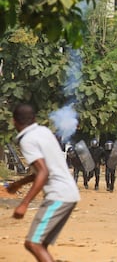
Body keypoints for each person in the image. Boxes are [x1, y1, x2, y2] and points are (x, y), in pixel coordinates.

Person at [7, 104, 80, 262]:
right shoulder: (44, 132)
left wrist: (24, 203)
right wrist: (20, 183)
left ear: (14, 122)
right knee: (42, 244)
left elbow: (43, 172)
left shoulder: (27, 140)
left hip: (58, 195)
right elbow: (47, 167)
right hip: (69, 193)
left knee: (32, 243)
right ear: (34, 119)